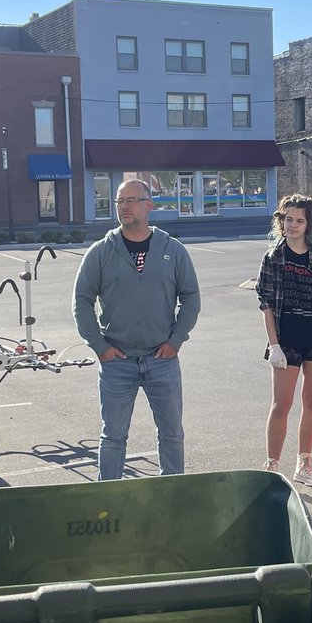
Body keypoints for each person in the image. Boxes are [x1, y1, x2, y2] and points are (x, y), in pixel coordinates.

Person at [73, 179, 201, 480]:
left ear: (149, 205)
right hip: (117, 362)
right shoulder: (101, 252)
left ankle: (172, 493)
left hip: (162, 360)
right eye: (120, 201)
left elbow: (191, 298)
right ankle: (110, 498)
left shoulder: (173, 250)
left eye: (132, 199)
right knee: (113, 437)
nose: (125, 206)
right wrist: (100, 347)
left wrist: (176, 341)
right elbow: (81, 301)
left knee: (171, 433)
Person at [256, 195, 312, 486]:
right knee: (281, 404)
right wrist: (274, 345)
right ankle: (271, 465)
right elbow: (266, 304)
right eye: (288, 219)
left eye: (299, 220)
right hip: (286, 341)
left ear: (310, 223)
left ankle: (304, 463)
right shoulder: (272, 258)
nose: (292, 225)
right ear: (281, 221)